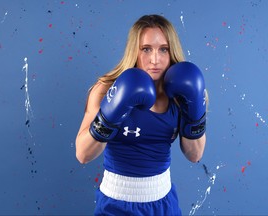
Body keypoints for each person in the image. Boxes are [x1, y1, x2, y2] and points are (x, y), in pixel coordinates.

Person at [76, 14, 207, 216]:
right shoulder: (107, 89)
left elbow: (195, 155)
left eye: (163, 49)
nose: (155, 59)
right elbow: (83, 154)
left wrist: (194, 110)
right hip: (116, 204)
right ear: (134, 51)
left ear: (172, 52)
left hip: (164, 203)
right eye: (146, 49)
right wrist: (111, 112)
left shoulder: (183, 91)